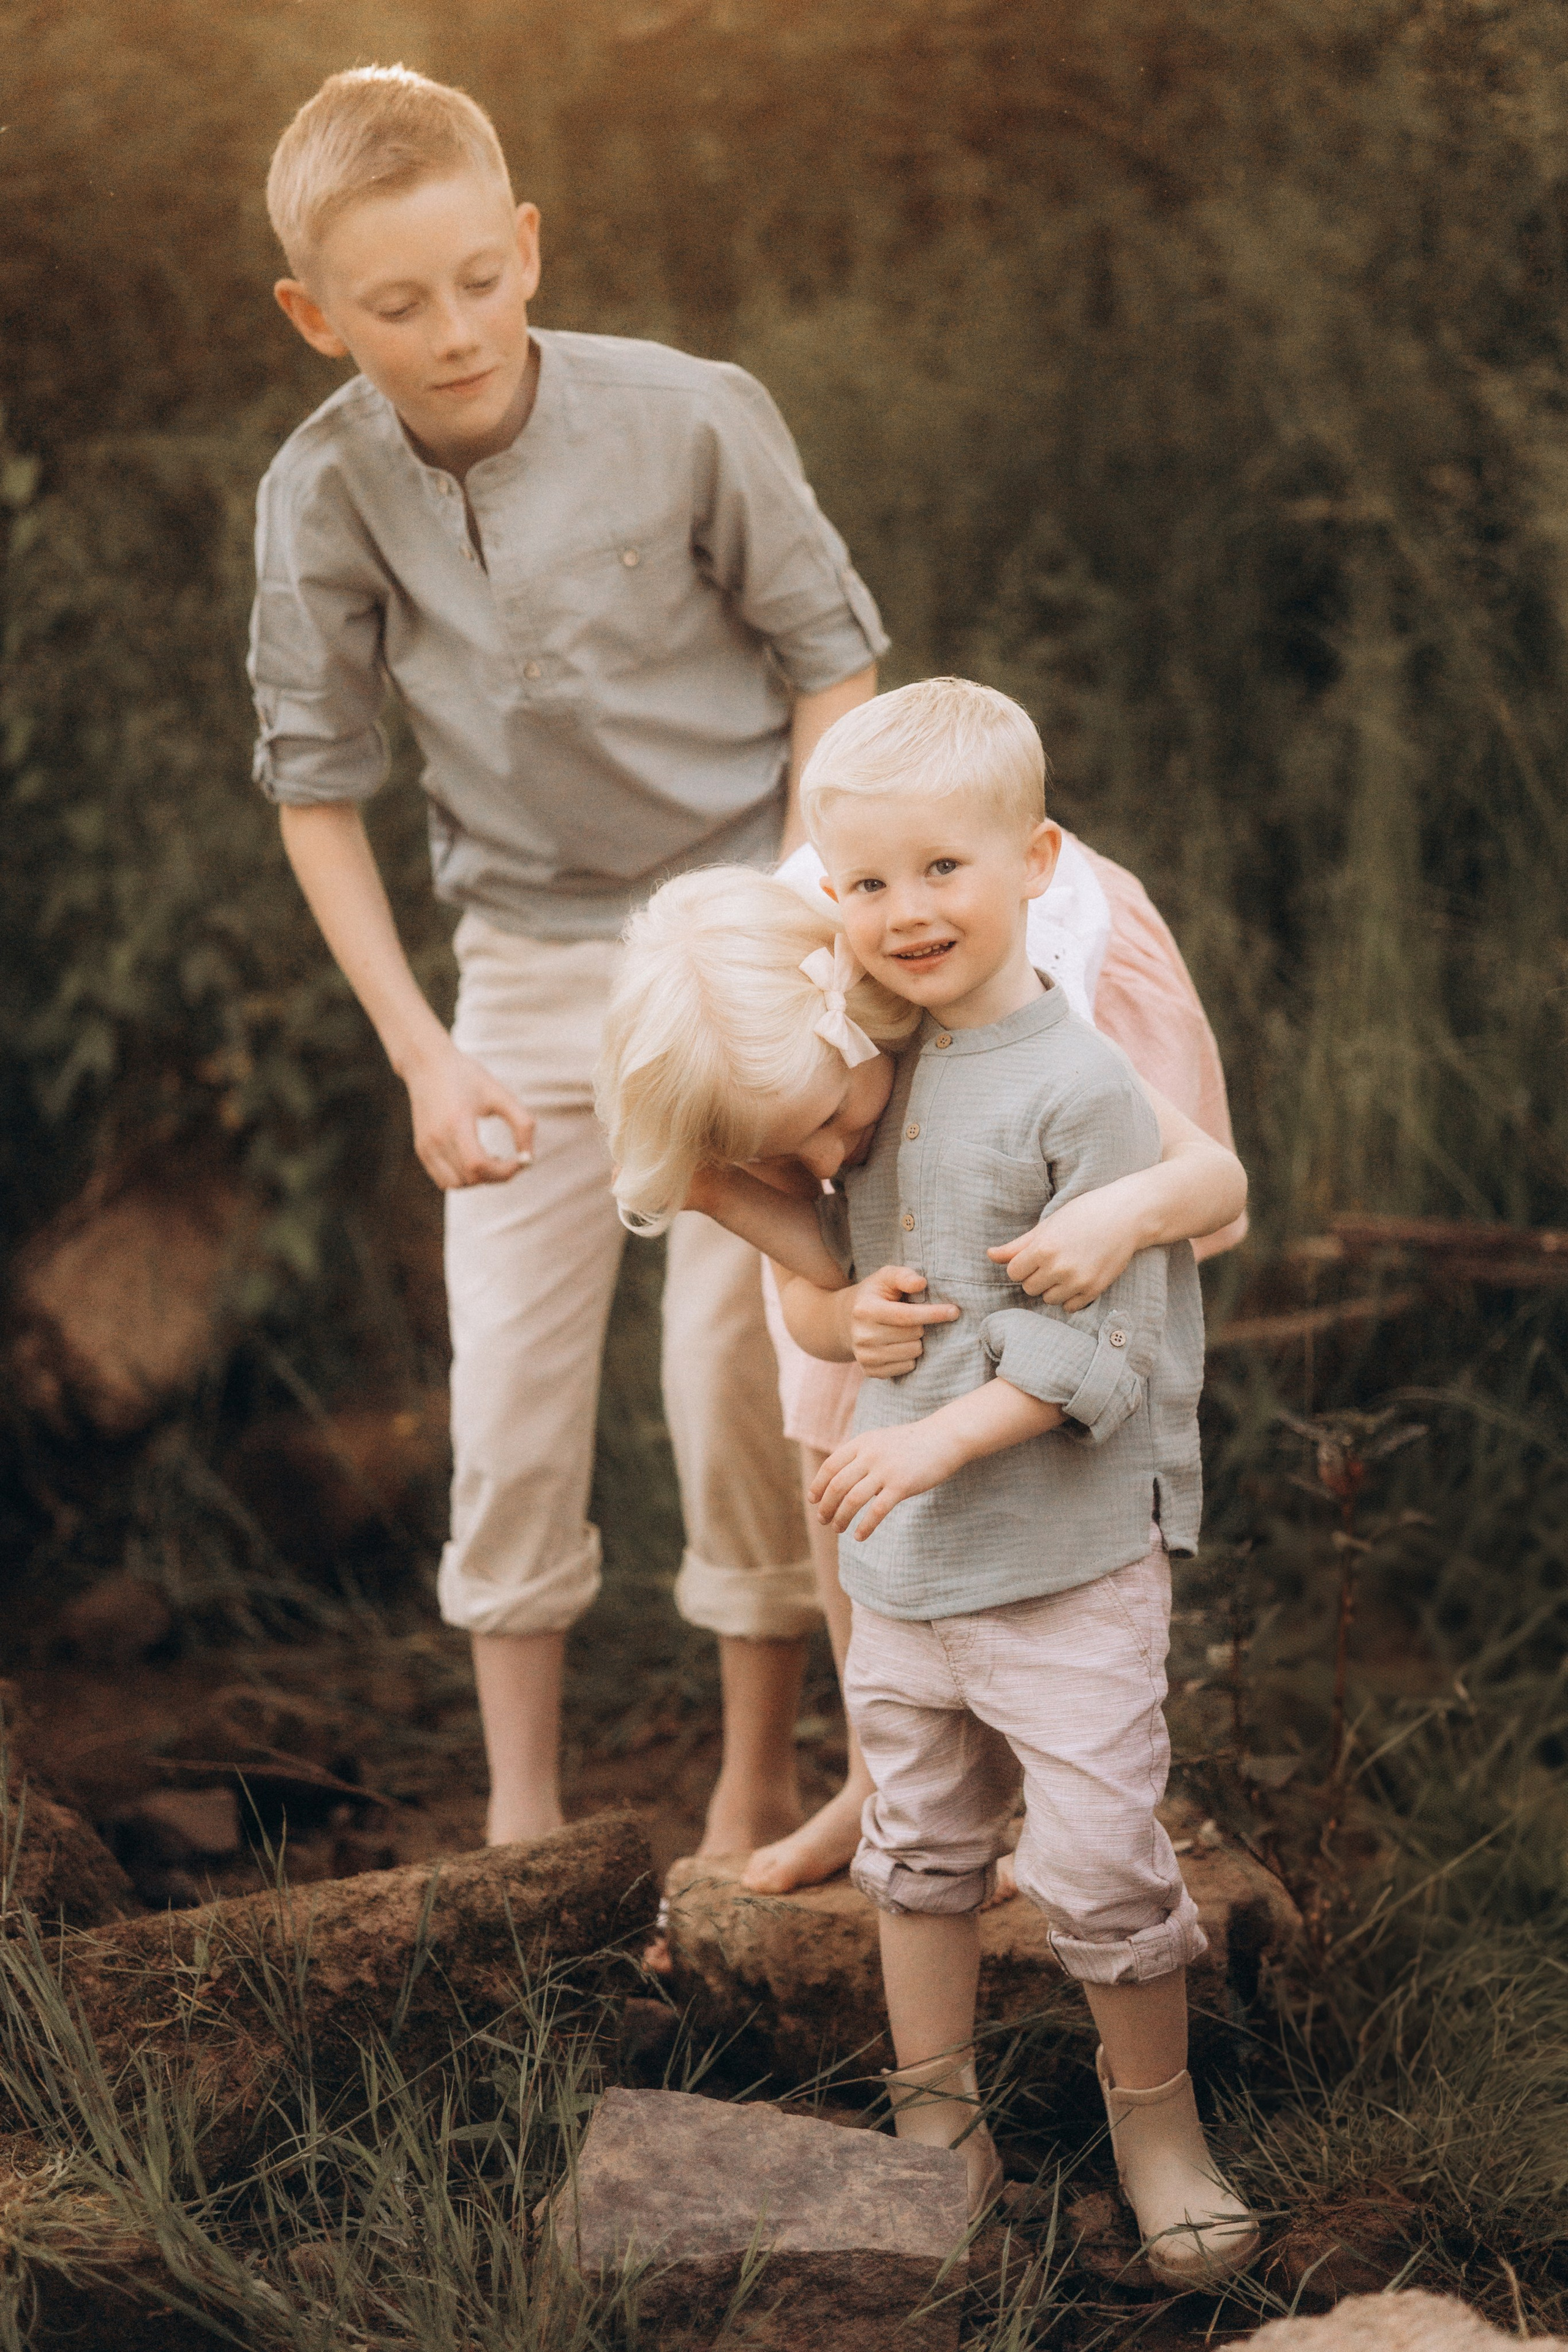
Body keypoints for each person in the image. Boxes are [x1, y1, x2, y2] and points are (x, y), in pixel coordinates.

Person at [249, 65, 884, 1849]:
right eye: (392, 304)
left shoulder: (691, 417)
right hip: (522, 965)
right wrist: (422, 1053)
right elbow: (316, 792)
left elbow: (837, 665)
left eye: (475, 276)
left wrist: (792, 916)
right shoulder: (319, 497)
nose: (450, 328)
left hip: (737, 922)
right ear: (316, 317)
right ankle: (523, 1826)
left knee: (736, 1369)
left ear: (526, 246)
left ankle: (759, 1769)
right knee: (508, 1396)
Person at [598, 679, 1257, 2280]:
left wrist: (1112, 1224)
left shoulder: (1050, 1060)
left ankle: (1151, 2115)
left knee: (1100, 1853)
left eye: (938, 876)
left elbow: (1126, 1307)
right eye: (867, 885)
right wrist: (827, 1286)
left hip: (1060, 1530)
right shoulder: (819, 1071)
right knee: (918, 1846)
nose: (901, 913)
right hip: (914, 1559)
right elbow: (812, 1271)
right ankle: (932, 2114)